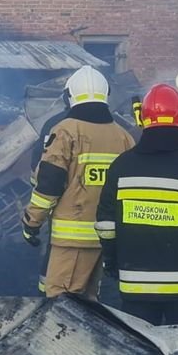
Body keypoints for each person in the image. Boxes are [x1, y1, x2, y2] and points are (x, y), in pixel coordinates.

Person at [96, 84, 178, 325]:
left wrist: (111, 259)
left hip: (136, 287)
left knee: (139, 354)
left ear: (144, 119)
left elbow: (105, 224)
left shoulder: (121, 167)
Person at [22, 66, 135, 299]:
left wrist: (32, 222)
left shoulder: (65, 131)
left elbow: (48, 185)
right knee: (89, 304)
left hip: (71, 240)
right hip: (108, 237)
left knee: (61, 306)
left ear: (69, 96)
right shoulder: (124, 135)